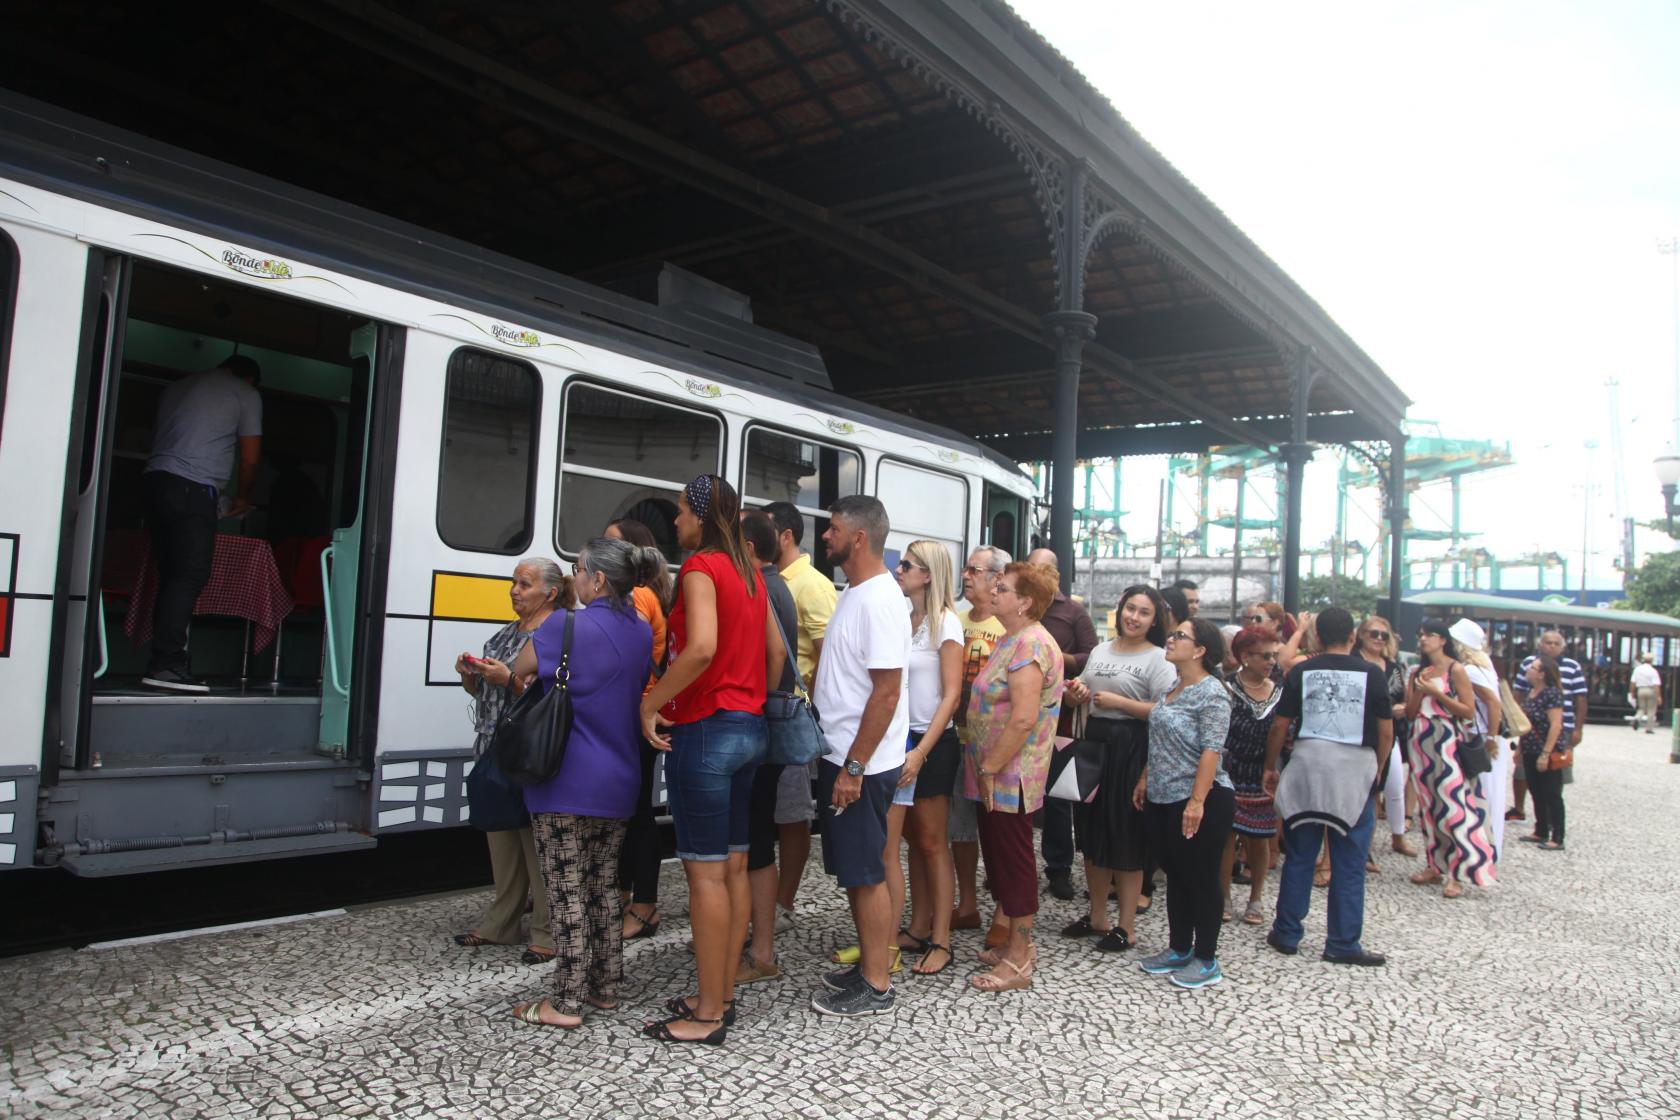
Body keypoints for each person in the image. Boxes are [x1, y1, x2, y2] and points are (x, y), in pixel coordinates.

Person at [638, 475, 783, 1045]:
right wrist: (750, 702)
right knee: (734, 865)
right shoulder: (750, 571)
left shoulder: (700, 569)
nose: (675, 522)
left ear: (699, 515)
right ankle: (717, 992)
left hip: (704, 731)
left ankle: (707, 1017)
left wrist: (652, 703)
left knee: (703, 876)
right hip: (749, 731)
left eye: (679, 512)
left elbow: (699, 648)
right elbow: (774, 652)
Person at [507, 538, 657, 1029]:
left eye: (577, 569)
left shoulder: (563, 625)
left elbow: (518, 672)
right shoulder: (638, 629)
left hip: (565, 780)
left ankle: (566, 1001)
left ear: (596, 579)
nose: (572, 576)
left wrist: (495, 673)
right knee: (603, 885)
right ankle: (605, 987)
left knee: (566, 889)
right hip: (619, 778)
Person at [809, 496, 912, 1017]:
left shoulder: (879, 600)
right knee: (855, 870)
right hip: (845, 755)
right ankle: (871, 962)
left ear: (859, 538)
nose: (824, 535)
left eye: (832, 529)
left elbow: (887, 693)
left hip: (862, 764)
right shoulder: (856, 591)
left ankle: (876, 985)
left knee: (867, 871)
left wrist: (853, 766)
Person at [452, 558, 569, 964]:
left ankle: (546, 931)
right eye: (514, 582)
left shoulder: (556, 633)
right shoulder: (506, 634)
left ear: (550, 593)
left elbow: (550, 699)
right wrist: (472, 677)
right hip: (494, 748)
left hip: (530, 751)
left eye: (525, 584)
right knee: (501, 838)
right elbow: (489, 698)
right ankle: (499, 924)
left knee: (534, 842)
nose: (515, 590)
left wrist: (510, 681)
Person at [1262, 608, 1393, 966]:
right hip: (1354, 766)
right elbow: (1385, 730)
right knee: (1349, 859)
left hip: (1308, 762)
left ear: (1315, 637)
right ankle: (1342, 941)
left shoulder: (1302, 670)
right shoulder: (1373, 673)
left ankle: (1287, 932)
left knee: (1301, 853)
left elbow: (1280, 724)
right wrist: (1377, 769)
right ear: (1353, 637)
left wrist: (1270, 765)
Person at [959, 561, 1064, 992]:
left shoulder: (1031, 645)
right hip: (993, 771)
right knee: (1000, 860)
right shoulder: (1011, 638)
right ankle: (1014, 949)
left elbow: (1022, 720)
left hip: (1009, 774)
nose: (993, 591)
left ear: (1025, 602)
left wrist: (989, 767)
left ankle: (1020, 958)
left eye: (1003, 588)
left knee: (1015, 862)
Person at [140, 354, 263, 692]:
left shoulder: (176, 387)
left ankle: (162, 660)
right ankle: (166, 664)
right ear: (248, 378)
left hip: (154, 483)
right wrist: (243, 497)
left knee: (170, 576)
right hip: (191, 489)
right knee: (190, 574)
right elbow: (250, 456)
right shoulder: (244, 393)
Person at [1061, 585, 1174, 952]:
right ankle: (1097, 916)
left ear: (1154, 621)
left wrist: (1121, 703)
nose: (1134, 617)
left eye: (1143, 612)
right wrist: (1075, 694)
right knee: (1091, 833)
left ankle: (1127, 926)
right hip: (1094, 741)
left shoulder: (1159, 658)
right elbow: (1084, 694)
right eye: (1130, 608)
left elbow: (1167, 711)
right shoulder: (1099, 650)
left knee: (1126, 835)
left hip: (1132, 746)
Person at [1136, 617, 1233, 990]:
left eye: (1180, 636)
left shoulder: (1212, 692)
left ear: (1201, 649)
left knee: (1202, 877)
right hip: (1162, 795)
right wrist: (1146, 777)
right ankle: (1179, 947)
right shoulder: (1174, 687)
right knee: (1176, 874)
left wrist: (1197, 801)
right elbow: (1160, 737)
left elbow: (1211, 748)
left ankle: (1206, 957)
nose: (1171, 639)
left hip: (1199, 798)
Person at [763, 500, 838, 929]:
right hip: (771, 711)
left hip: (791, 714)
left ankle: (783, 903)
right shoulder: (775, 578)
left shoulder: (811, 584)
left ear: (786, 537)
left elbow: (829, 654)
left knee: (791, 815)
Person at [737, 509, 799, 984]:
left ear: (750, 548)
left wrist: (754, 708)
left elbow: (774, 657)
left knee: (757, 842)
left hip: (761, 729)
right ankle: (751, 941)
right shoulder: (775, 584)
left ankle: (761, 952)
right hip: (765, 729)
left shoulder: (764, 588)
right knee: (755, 838)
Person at [895, 540, 963, 976]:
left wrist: (922, 750)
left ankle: (942, 938)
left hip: (932, 742)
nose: (898, 569)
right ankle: (919, 926)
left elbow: (952, 695)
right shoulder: (904, 618)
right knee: (913, 841)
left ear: (928, 575)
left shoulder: (946, 624)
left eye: (907, 564)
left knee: (934, 843)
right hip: (902, 737)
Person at [605, 517, 670, 942]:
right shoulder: (647, 594)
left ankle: (644, 905)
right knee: (632, 812)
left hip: (636, 714)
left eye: (608, 544)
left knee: (637, 815)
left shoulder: (638, 598)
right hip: (637, 712)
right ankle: (632, 897)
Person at [1027, 548, 1099, 901]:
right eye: (1031, 567)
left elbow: (1092, 655)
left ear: (1056, 574)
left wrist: (1055, 654)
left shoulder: (1073, 612)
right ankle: (1015, 866)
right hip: (1020, 713)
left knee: (1056, 795)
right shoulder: (1021, 604)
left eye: (1043, 569)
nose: (1036, 574)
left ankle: (1058, 868)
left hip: (1059, 714)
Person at [1405, 619, 1496, 898]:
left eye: (1428, 635)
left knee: (1454, 805)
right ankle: (1435, 864)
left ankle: (1458, 871)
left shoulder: (1456, 670)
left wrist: (1437, 693)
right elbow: (1409, 713)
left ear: (1442, 639)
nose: (1422, 639)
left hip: (1446, 738)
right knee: (1429, 806)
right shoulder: (1418, 671)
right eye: (1420, 635)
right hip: (1421, 738)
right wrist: (1420, 693)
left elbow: (1467, 710)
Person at [950, 544, 1010, 943]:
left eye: (975, 570)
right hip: (957, 739)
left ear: (996, 579)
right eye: (966, 569)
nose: (966, 576)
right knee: (960, 828)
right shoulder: (955, 620)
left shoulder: (1010, 627)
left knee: (1000, 830)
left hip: (997, 745)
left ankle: (1006, 910)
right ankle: (967, 903)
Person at [1220, 625, 1283, 925]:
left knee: (1260, 840)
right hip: (1229, 768)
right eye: (1264, 655)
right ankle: (1224, 896)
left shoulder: (1280, 691)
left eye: (1274, 655)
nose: (1271, 661)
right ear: (1245, 656)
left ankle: (1256, 897)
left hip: (1262, 773)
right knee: (1225, 836)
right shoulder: (1227, 686)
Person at [1510, 631, 1588, 828]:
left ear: (1562, 647)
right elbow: (1518, 691)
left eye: (1556, 643)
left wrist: (1578, 728)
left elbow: (1580, 699)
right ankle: (1524, 811)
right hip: (1530, 730)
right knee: (1524, 773)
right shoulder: (1529, 665)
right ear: (1540, 644)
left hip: (1560, 727)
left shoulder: (1570, 669)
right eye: (1548, 642)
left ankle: (1551, 820)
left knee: (1554, 774)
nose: (1551, 646)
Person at [1359, 615, 1417, 860]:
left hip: (1388, 732)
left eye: (1384, 635)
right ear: (1361, 635)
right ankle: (1364, 848)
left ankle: (1396, 836)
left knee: (1391, 786)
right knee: (1365, 791)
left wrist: (1401, 707)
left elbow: (1402, 695)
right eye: (1374, 633)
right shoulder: (1354, 662)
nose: (1379, 639)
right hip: (1361, 733)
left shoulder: (1392, 667)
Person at [1450, 619, 1508, 862]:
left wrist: (1491, 737)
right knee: (1490, 792)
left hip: (1483, 736)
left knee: (1483, 793)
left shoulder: (1471, 670)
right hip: (1486, 734)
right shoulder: (1484, 666)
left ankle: (1485, 850)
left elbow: (1494, 703)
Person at [1515, 657, 1568, 851]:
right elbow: (1526, 723)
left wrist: (1546, 753)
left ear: (1542, 674)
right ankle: (1541, 829)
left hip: (1546, 748)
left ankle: (1558, 836)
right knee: (1536, 790)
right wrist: (1520, 748)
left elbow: (1555, 724)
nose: (1528, 670)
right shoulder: (1532, 692)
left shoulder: (1552, 694)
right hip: (1530, 747)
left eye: (1533, 667)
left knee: (1552, 793)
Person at [1632, 652, 1662, 734]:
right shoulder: (1653, 671)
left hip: (1640, 690)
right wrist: (1659, 696)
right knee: (1651, 710)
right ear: (1652, 661)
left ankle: (1637, 718)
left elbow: (1633, 682)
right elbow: (1656, 685)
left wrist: (1632, 692)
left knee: (1642, 708)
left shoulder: (1637, 669)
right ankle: (1649, 728)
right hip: (1651, 690)